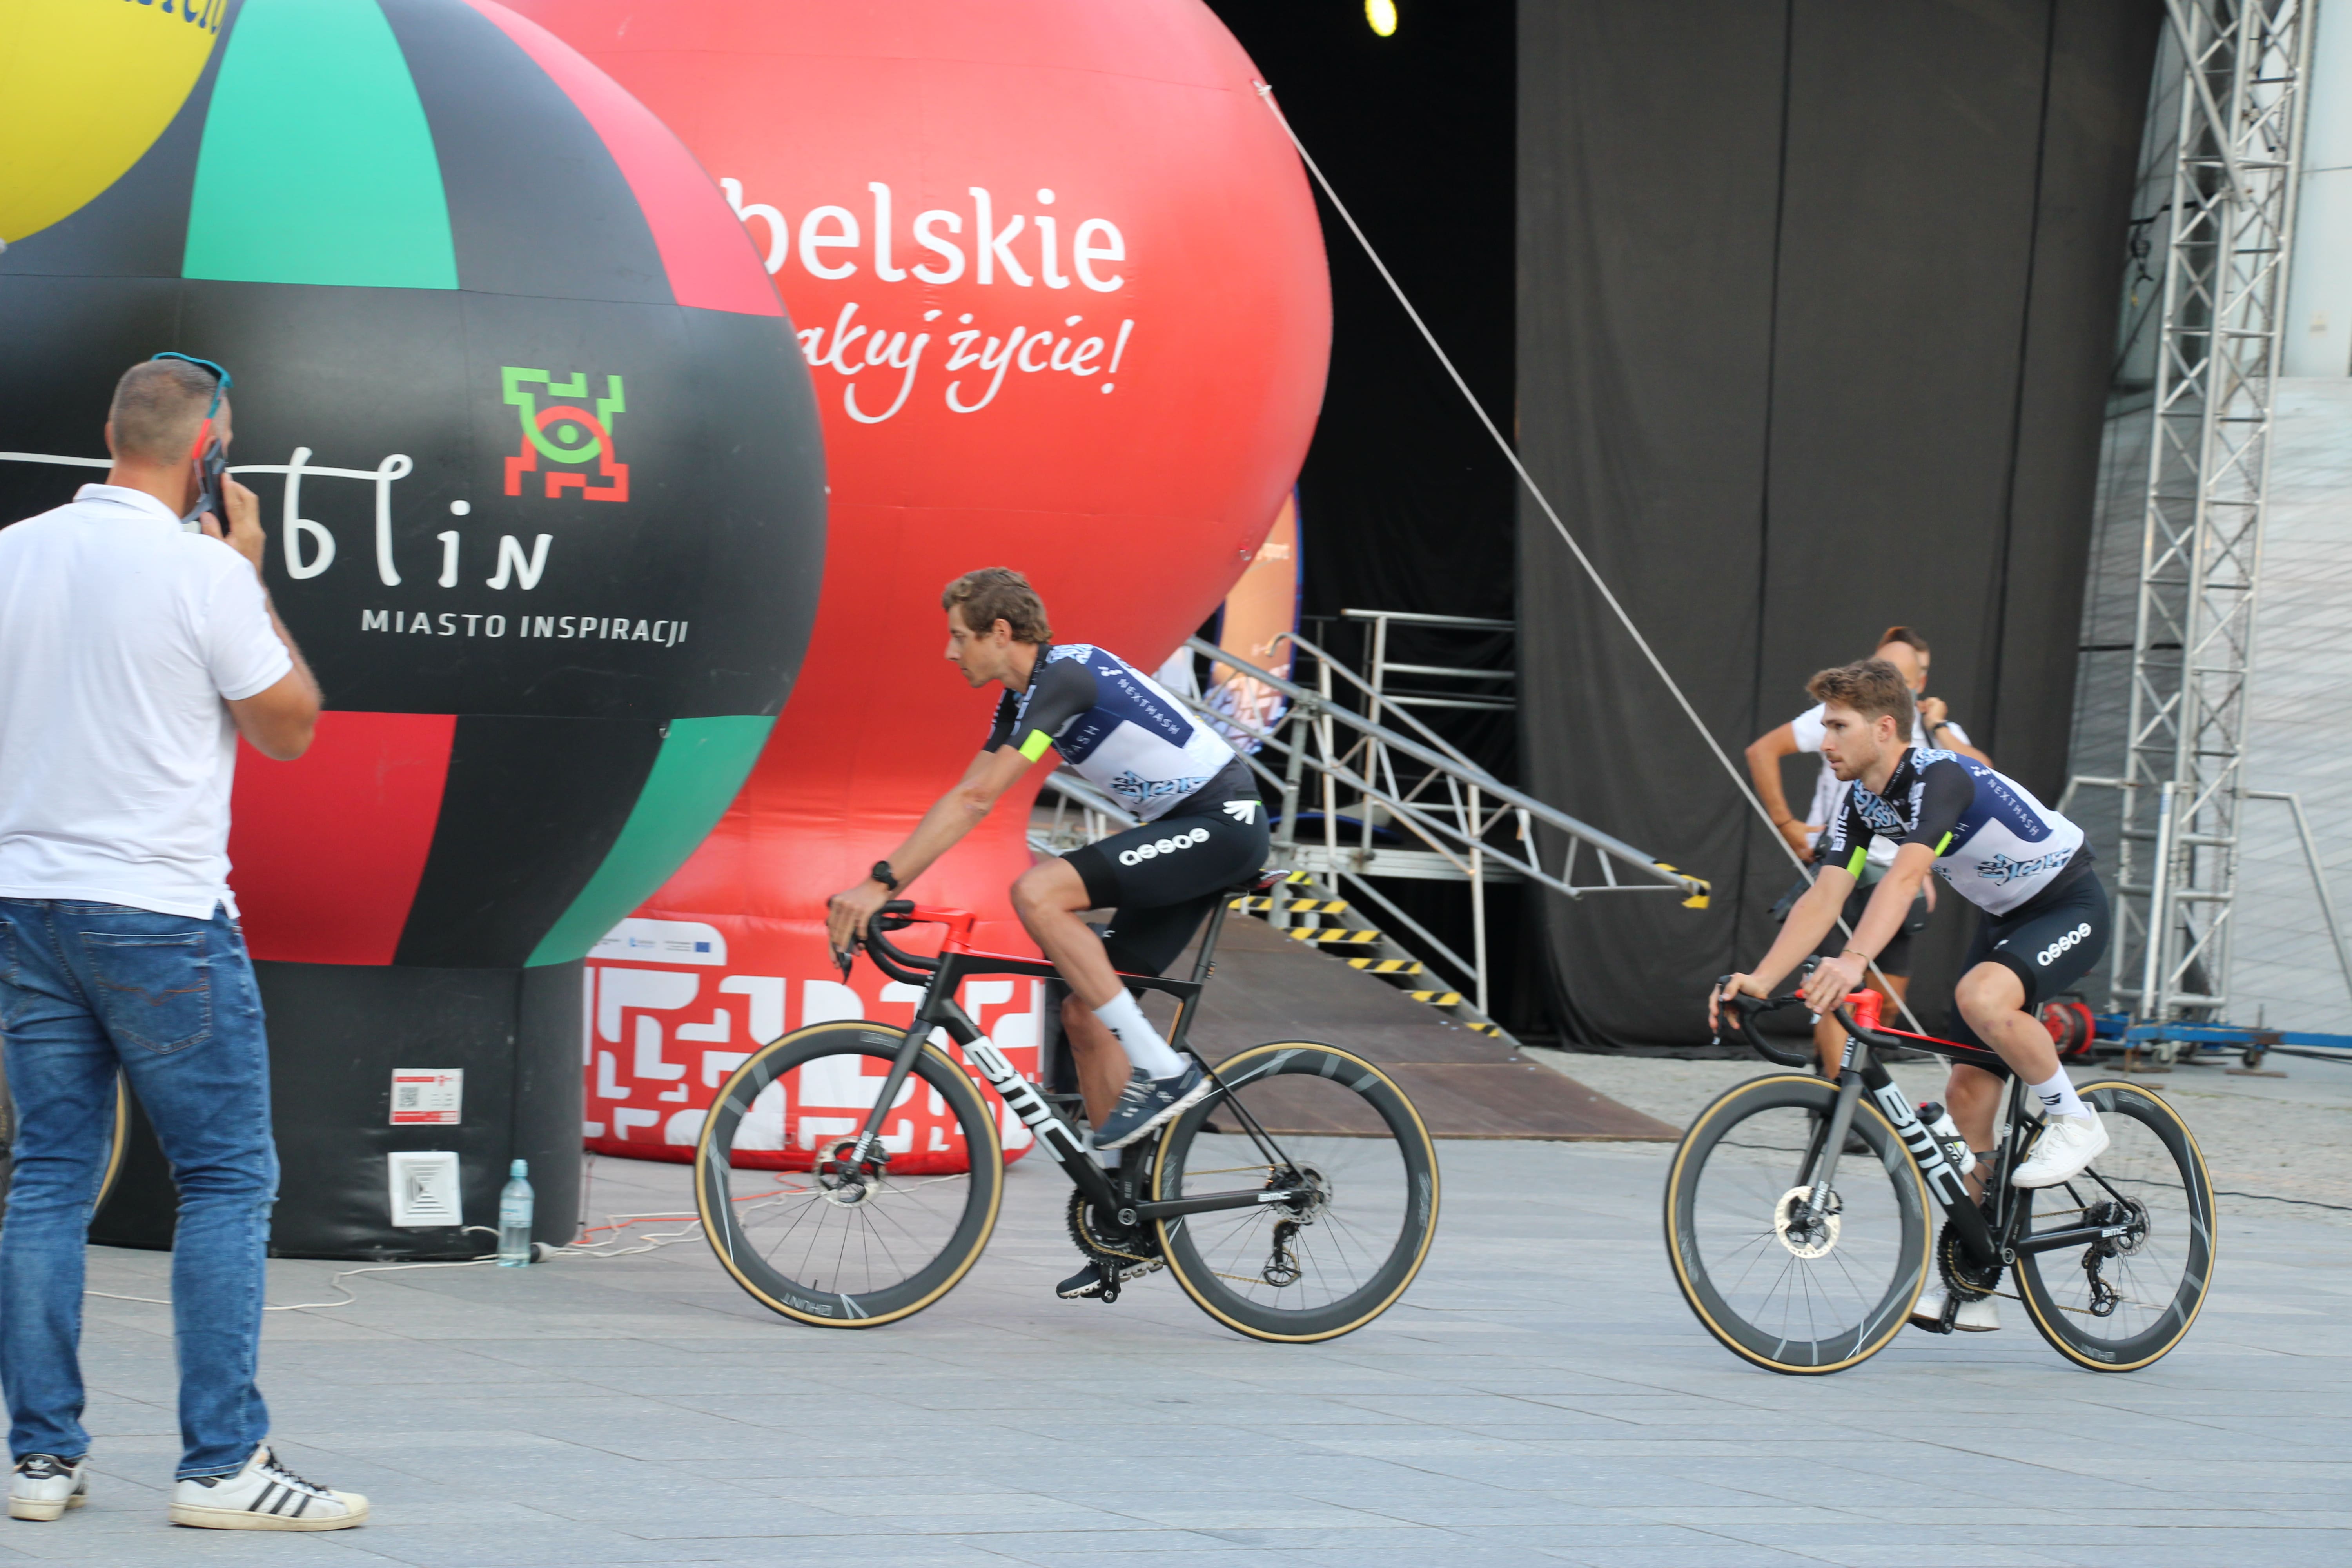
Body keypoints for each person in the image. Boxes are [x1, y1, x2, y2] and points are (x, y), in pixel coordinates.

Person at [0, 356, 367, 1529]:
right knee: (224, 1175)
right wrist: (250, 577)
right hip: (158, 910)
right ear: (209, 448)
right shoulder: (204, 569)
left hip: (24, 901)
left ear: (112, 434)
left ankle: (40, 1460)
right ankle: (222, 1465)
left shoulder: (11, 554)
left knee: (50, 1173)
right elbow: (291, 725)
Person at [826, 569, 1268, 1300]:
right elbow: (962, 799)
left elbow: (977, 800)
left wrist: (879, 882)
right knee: (1081, 1015)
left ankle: (1163, 1068)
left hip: (1221, 828)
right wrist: (888, 877)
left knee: (1039, 890)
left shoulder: (1065, 675)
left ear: (1002, 633)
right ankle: (1127, 1218)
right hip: (1183, 832)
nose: (949, 653)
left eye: (959, 636)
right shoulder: (1021, 699)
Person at [1713, 659, 2111, 1336]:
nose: (1825, 741)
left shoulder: (1938, 777)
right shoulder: (1862, 800)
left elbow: (1904, 880)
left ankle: (2075, 1120)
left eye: (1837, 727)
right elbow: (1828, 892)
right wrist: (1761, 977)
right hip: (2005, 919)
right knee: (1965, 1101)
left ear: (1885, 727)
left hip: (2069, 903)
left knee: (1983, 997)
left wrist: (1854, 959)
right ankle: (1975, 1279)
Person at [1744, 628, 1989, 1073]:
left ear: (1916, 685)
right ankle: (1840, 1102)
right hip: (1850, 866)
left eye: (1896, 673)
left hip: (1905, 874)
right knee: (1838, 992)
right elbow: (1763, 751)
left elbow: (1979, 778)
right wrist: (1787, 824)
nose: (1828, 743)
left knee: (1885, 1004)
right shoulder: (1849, 737)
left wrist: (1935, 727)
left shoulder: (1939, 746)